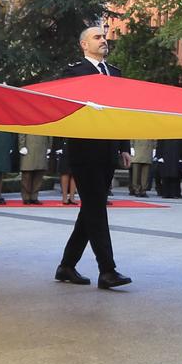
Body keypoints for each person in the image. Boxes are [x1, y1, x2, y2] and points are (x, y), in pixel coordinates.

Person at [52, 25, 131, 290]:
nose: (103, 40)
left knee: (91, 208)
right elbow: (63, 109)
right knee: (96, 208)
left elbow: (120, 113)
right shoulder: (74, 72)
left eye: (104, 37)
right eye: (97, 37)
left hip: (107, 150)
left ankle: (66, 266)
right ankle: (107, 270)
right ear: (84, 44)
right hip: (83, 149)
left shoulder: (116, 74)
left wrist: (124, 147)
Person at [20, 134, 51, 203]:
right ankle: (26, 197)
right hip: (29, 146)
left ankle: (34, 197)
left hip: (42, 146)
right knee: (27, 174)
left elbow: (49, 132)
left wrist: (49, 146)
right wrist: (22, 146)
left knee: (39, 174)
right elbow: (22, 131)